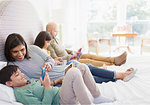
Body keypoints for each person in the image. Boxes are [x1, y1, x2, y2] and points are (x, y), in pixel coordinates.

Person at [33, 31, 136, 83]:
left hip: (67, 62)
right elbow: (54, 61)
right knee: (88, 69)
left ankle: (114, 63)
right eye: (48, 42)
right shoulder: (43, 51)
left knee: (88, 62)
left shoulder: (51, 44)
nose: (49, 43)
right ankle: (117, 75)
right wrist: (61, 59)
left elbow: (59, 54)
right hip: (66, 64)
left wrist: (73, 53)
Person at [0, 65, 115, 105]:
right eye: (17, 75)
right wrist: (47, 87)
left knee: (82, 67)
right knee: (74, 72)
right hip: (60, 101)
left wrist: (55, 81)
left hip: (61, 92)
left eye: (21, 72)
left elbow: (46, 85)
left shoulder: (28, 82)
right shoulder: (21, 93)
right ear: (9, 83)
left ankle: (97, 97)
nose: (22, 75)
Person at [46, 22, 127, 67]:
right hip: (68, 61)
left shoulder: (56, 39)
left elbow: (63, 49)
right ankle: (112, 64)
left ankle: (114, 59)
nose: (57, 33)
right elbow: (56, 59)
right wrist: (70, 56)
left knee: (89, 55)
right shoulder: (48, 44)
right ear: (49, 31)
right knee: (89, 61)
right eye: (55, 31)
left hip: (71, 56)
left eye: (57, 31)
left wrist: (73, 52)